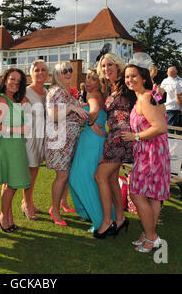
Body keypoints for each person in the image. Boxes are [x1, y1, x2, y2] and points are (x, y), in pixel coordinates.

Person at [121, 55, 170, 253]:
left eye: (133, 76)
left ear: (142, 77)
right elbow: (162, 110)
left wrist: (136, 136)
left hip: (152, 154)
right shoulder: (149, 95)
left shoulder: (146, 97)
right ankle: (149, 233)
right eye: (126, 77)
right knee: (152, 197)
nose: (129, 80)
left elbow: (160, 126)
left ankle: (152, 237)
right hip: (151, 152)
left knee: (136, 193)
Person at [94, 53, 136, 239]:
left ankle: (107, 221)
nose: (106, 69)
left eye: (110, 65)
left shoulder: (126, 84)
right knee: (111, 179)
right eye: (103, 66)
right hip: (112, 137)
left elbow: (144, 95)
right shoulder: (111, 87)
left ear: (117, 66)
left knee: (100, 175)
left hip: (122, 138)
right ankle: (119, 218)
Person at [44, 61, 89, 226]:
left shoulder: (68, 92)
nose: (68, 73)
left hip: (71, 139)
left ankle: (63, 202)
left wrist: (80, 108)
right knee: (62, 175)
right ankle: (54, 210)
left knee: (67, 174)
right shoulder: (55, 92)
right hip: (59, 140)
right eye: (64, 71)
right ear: (57, 75)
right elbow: (53, 116)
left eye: (70, 70)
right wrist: (71, 107)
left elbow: (73, 112)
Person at [0, 68, 31, 232]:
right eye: (12, 79)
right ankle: (3, 216)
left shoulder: (16, 99)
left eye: (18, 81)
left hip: (16, 145)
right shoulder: (2, 99)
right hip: (7, 146)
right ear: (5, 79)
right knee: (12, 185)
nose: (15, 83)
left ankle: (8, 217)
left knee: (9, 183)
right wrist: (20, 130)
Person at [69, 69, 110, 232]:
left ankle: (98, 219)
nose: (88, 81)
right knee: (89, 179)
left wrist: (91, 124)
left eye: (93, 79)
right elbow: (95, 110)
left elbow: (93, 112)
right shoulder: (100, 96)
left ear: (99, 84)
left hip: (91, 141)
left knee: (79, 179)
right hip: (96, 140)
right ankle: (88, 212)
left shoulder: (92, 95)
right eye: (87, 78)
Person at [22, 59, 48, 220]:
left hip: (41, 135)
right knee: (28, 171)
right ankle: (27, 205)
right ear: (31, 73)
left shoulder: (46, 92)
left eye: (43, 70)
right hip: (28, 136)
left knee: (35, 170)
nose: (40, 73)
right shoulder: (25, 92)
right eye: (36, 70)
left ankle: (28, 202)